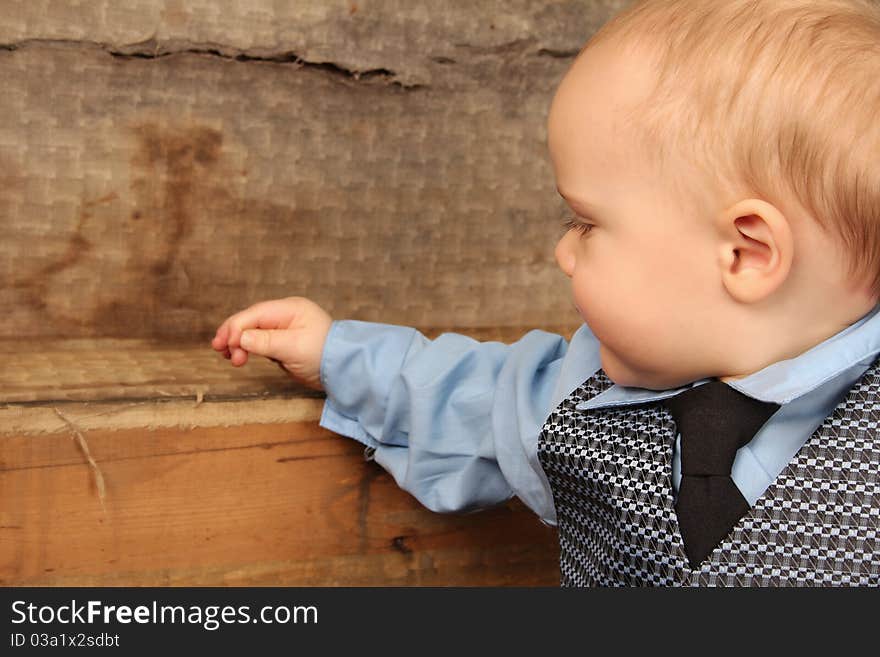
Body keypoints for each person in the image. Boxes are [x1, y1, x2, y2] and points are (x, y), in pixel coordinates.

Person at [211, 0, 880, 585]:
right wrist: (336, 352)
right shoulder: (585, 399)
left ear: (744, 253)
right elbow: (468, 402)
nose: (562, 251)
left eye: (586, 222)